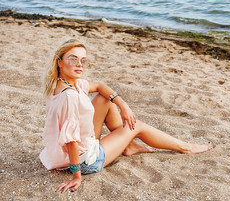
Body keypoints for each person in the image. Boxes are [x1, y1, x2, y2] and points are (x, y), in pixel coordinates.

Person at [40, 39, 213, 194]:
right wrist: (77, 176)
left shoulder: (64, 85)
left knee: (104, 99)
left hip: (61, 155)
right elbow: (71, 139)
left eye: (83, 60)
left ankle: (129, 146)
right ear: (59, 62)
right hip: (85, 161)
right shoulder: (69, 96)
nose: (79, 64)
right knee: (137, 126)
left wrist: (123, 105)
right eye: (73, 59)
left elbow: (100, 86)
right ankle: (186, 147)